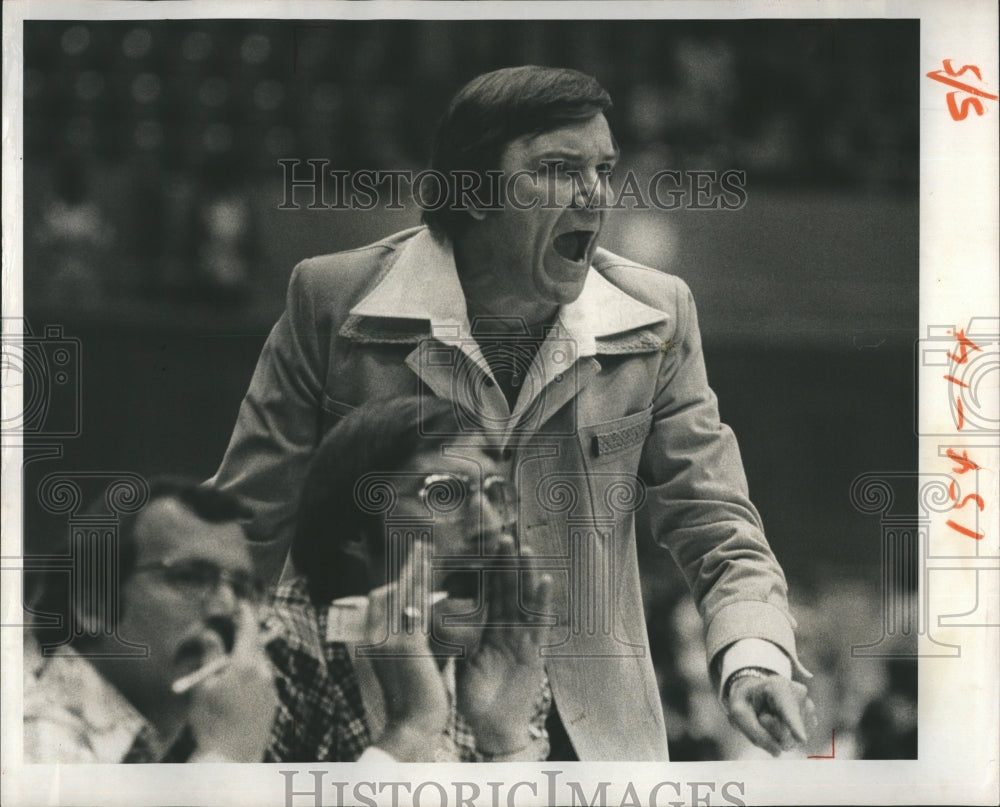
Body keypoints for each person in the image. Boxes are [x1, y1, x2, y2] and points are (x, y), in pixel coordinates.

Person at [212, 65, 815, 760]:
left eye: (604, 168)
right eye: (558, 169)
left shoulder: (659, 314)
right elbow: (245, 525)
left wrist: (753, 656)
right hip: (382, 726)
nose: (593, 193)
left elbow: (718, 522)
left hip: (592, 745)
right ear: (473, 192)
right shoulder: (331, 300)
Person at [266, 396, 552, 762]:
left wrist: (505, 741)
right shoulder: (271, 654)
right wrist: (411, 730)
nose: (490, 527)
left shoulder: (504, 661)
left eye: (496, 494)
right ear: (354, 527)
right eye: (443, 494)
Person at [24, 477, 278, 763]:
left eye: (242, 588)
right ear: (92, 607)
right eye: (190, 577)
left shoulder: (156, 744)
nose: (226, 607)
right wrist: (228, 751)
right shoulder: (38, 742)